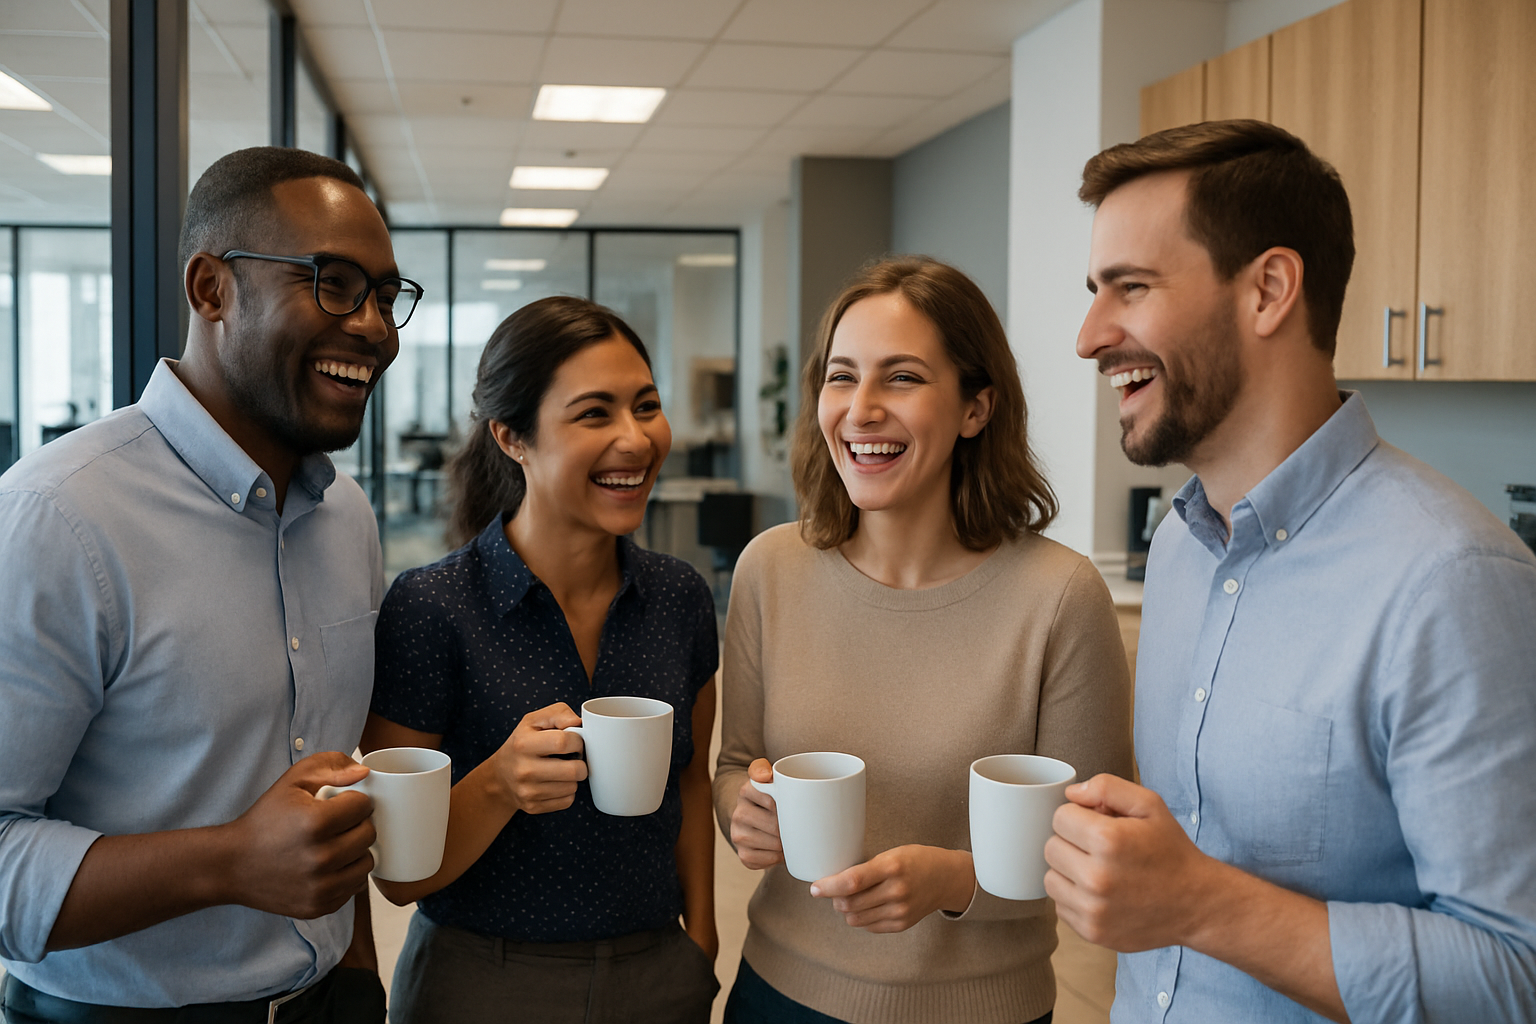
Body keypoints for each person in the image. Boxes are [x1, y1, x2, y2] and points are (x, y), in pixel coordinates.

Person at [1051, 118, 1536, 1023]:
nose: (1088, 336)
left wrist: (1200, 902)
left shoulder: (1454, 583)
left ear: (1269, 289)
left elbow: (1517, 976)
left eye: (1131, 287)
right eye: (1094, 291)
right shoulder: (1179, 547)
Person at [0, 147, 421, 1020]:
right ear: (210, 289)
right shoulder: (59, 518)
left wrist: (357, 976)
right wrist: (230, 859)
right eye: (334, 283)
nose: (375, 327)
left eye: (385, 296)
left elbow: (330, 790)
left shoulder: (346, 518)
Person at [716, 257, 1134, 1024]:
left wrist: (956, 881)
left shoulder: (1061, 598)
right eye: (842, 378)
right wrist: (742, 808)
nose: (861, 409)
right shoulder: (768, 570)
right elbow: (737, 765)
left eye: (901, 377)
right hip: (780, 995)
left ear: (976, 408)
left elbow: (1094, 850)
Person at [363, 296, 720, 1023]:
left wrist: (703, 941)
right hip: (480, 984)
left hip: (656, 977)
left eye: (646, 406)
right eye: (594, 413)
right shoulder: (433, 607)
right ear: (512, 437)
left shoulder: (680, 597)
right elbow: (400, 877)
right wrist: (499, 784)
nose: (636, 439)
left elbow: (691, 781)